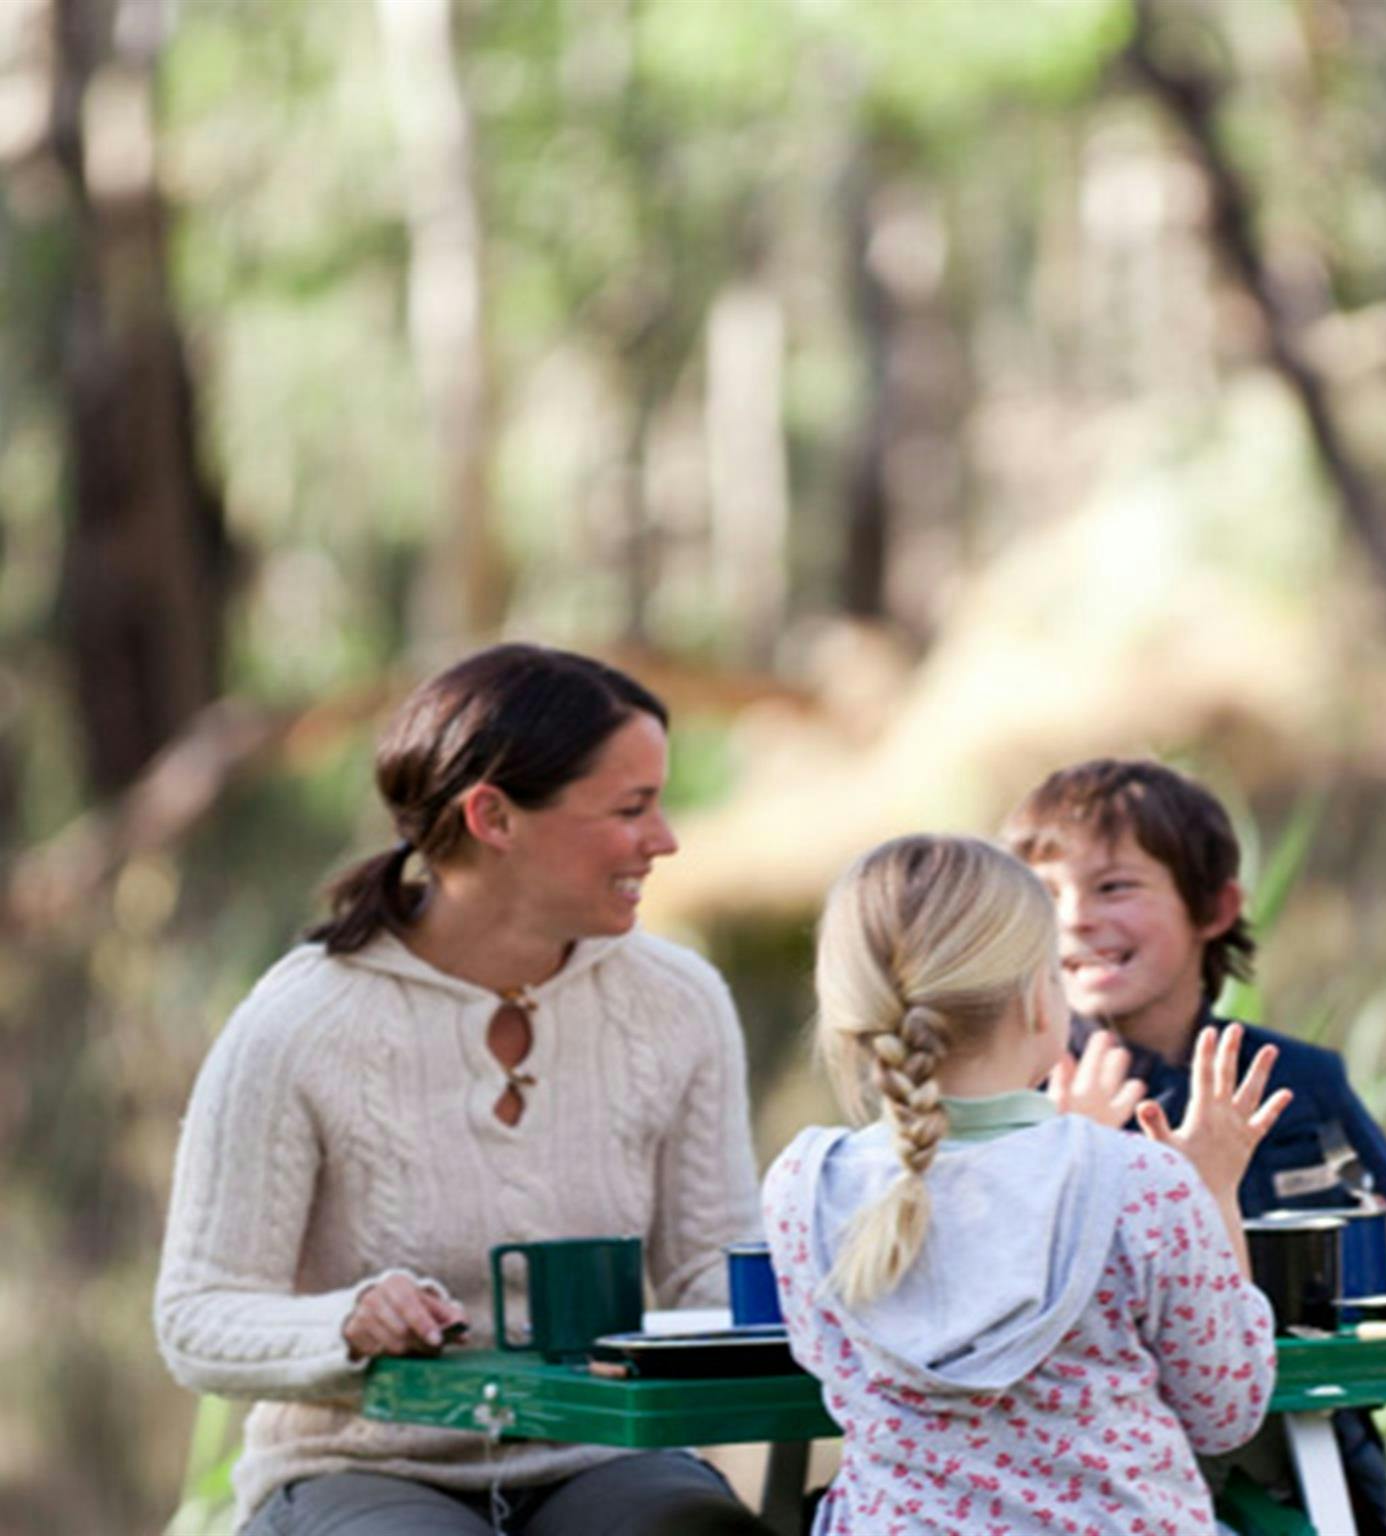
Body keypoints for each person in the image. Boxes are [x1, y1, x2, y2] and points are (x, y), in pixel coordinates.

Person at [154, 644, 773, 1536]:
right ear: (493, 816)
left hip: (602, 1460)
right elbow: (197, 1317)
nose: (665, 839)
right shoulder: (298, 1024)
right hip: (357, 1470)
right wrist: (347, 1323)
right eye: (630, 808)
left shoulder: (679, 1003)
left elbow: (710, 1276)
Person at [1002, 758, 1386, 1533]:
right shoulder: (1015, 1099)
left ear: (1216, 908)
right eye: (1046, 895)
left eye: (1114, 887)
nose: (1076, 919)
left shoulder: (1299, 1080)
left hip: (1310, 1480)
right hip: (1092, 1491)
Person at [762, 834, 1288, 1535]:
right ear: (1039, 1000)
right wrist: (1214, 1191)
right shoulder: (1142, 1181)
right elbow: (1225, 1412)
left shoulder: (805, 1184)